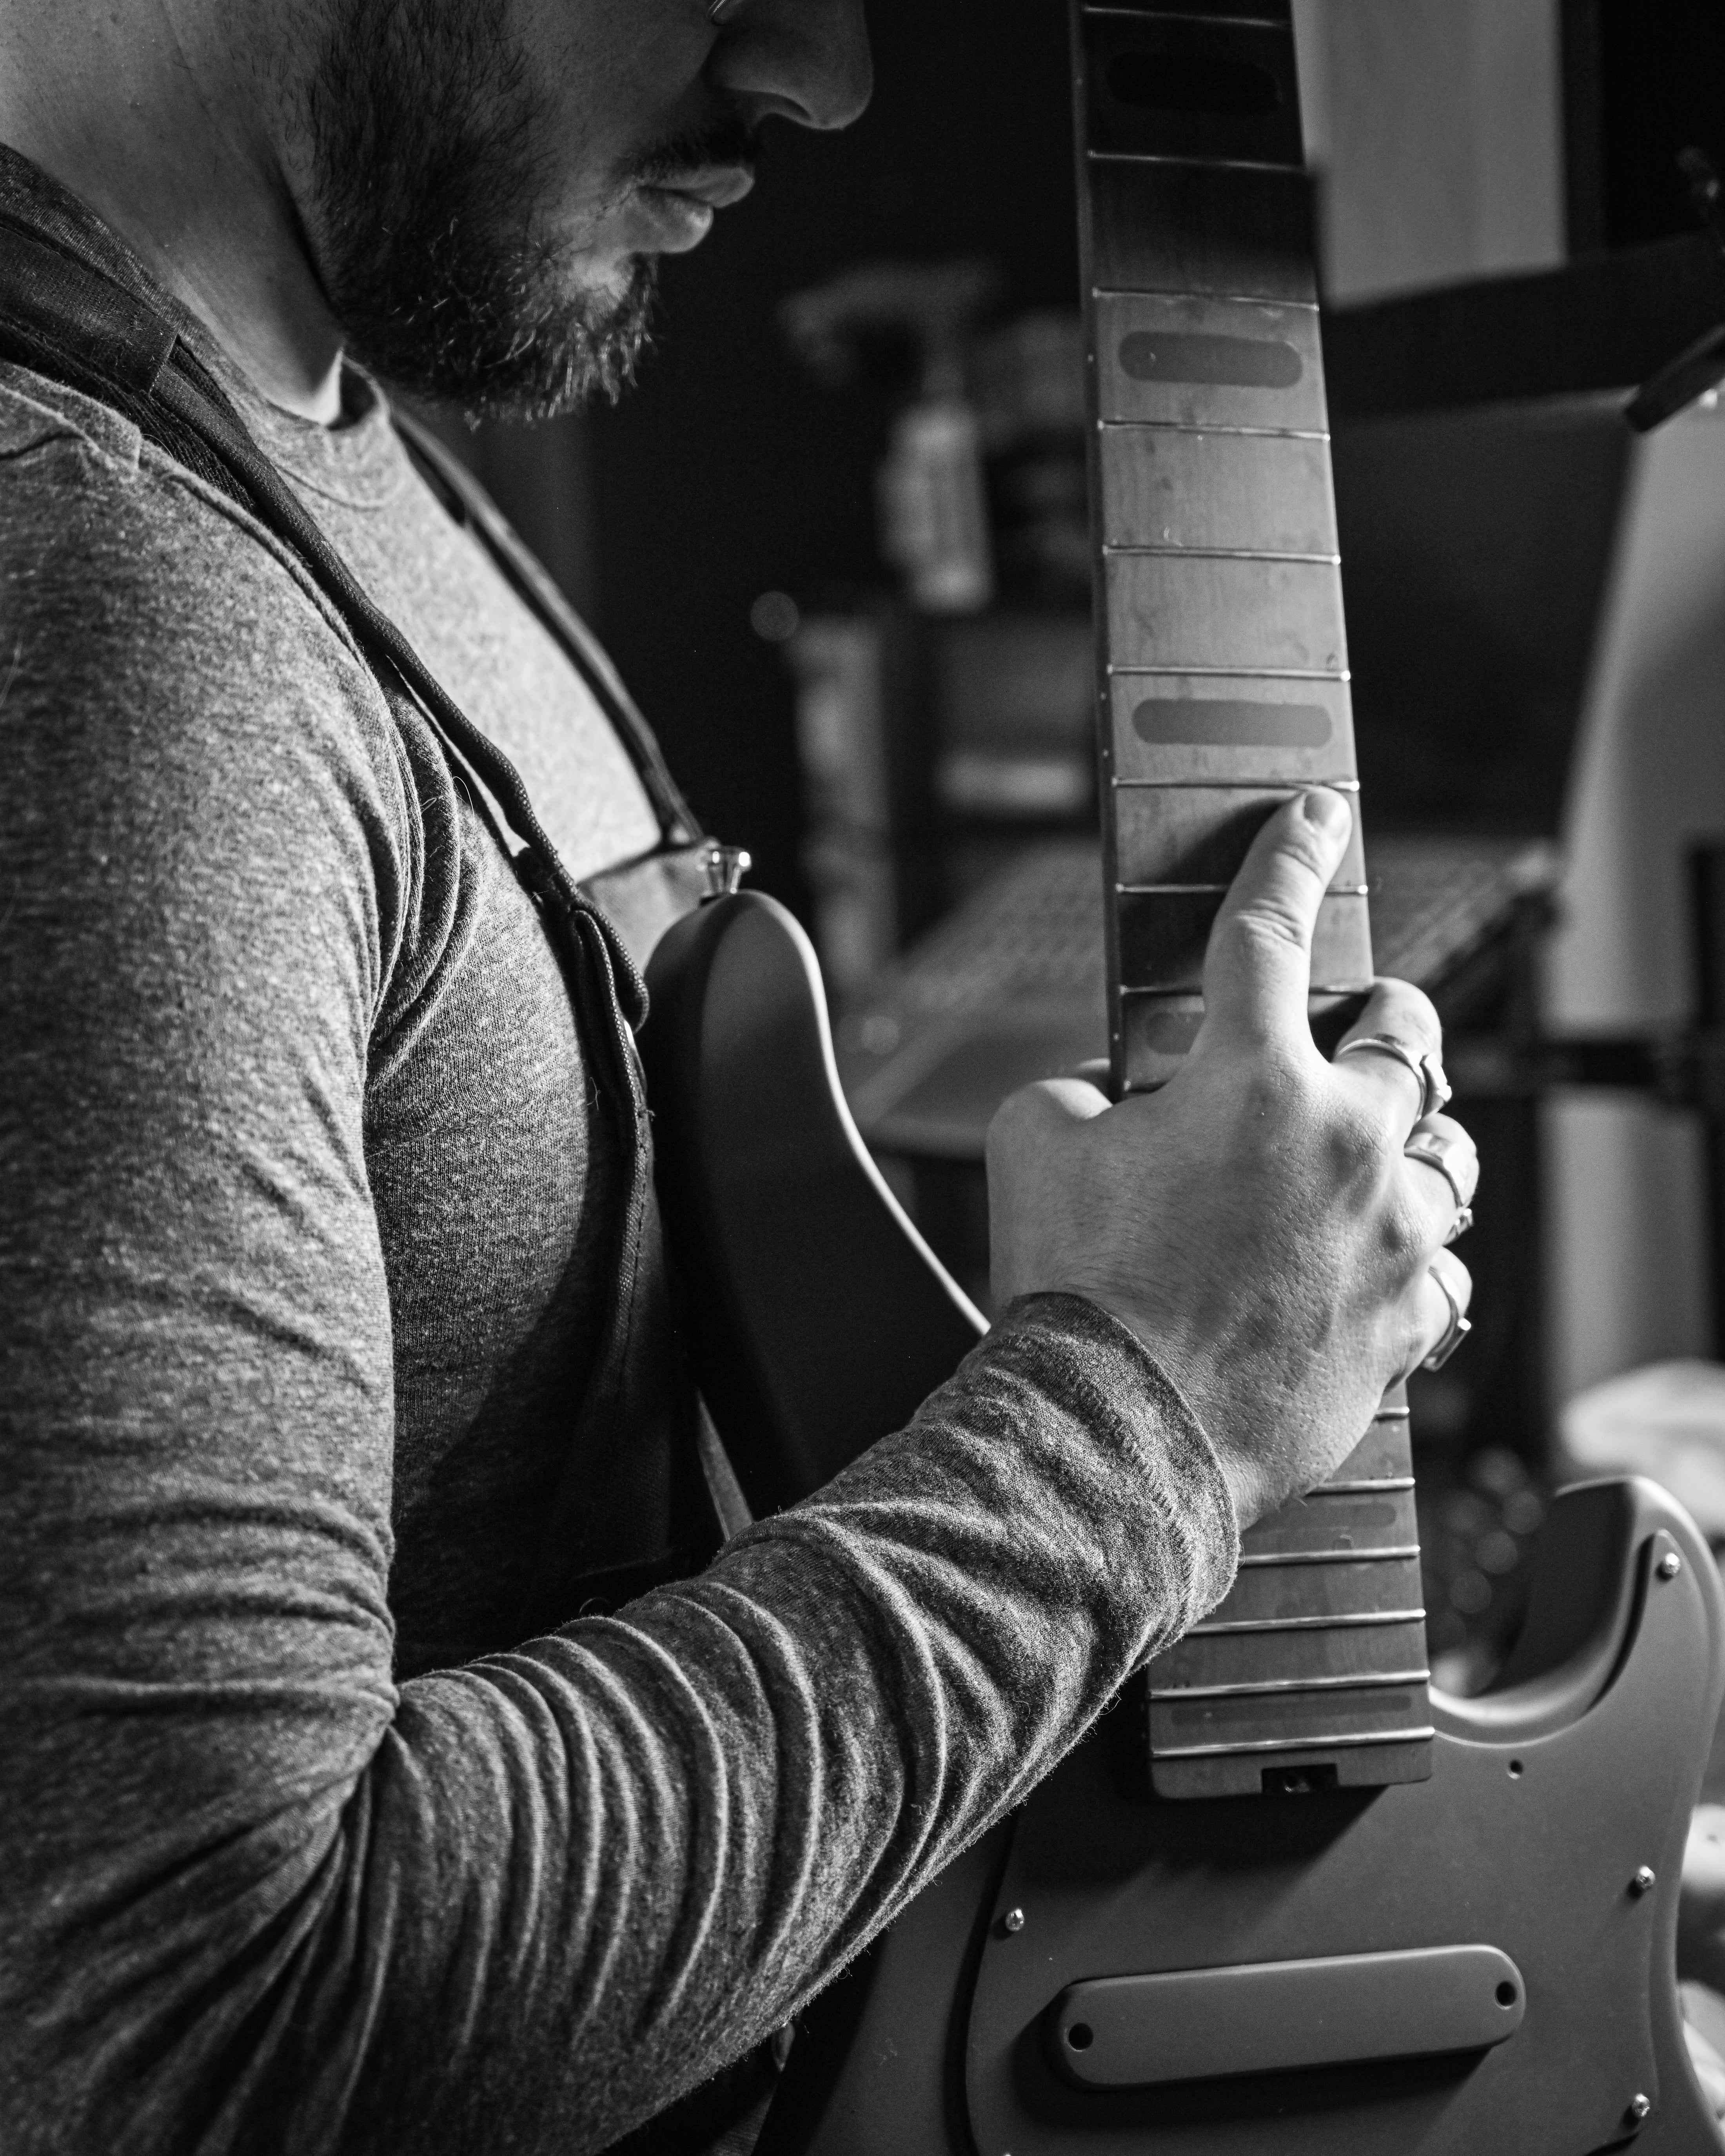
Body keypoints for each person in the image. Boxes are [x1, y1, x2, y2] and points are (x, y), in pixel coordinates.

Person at [0, 1, 1478, 2151]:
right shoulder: (109, 604)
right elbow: (202, 2033)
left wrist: (1214, 1280)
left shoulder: (317, 430)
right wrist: (1151, 1406)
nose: (829, 74)